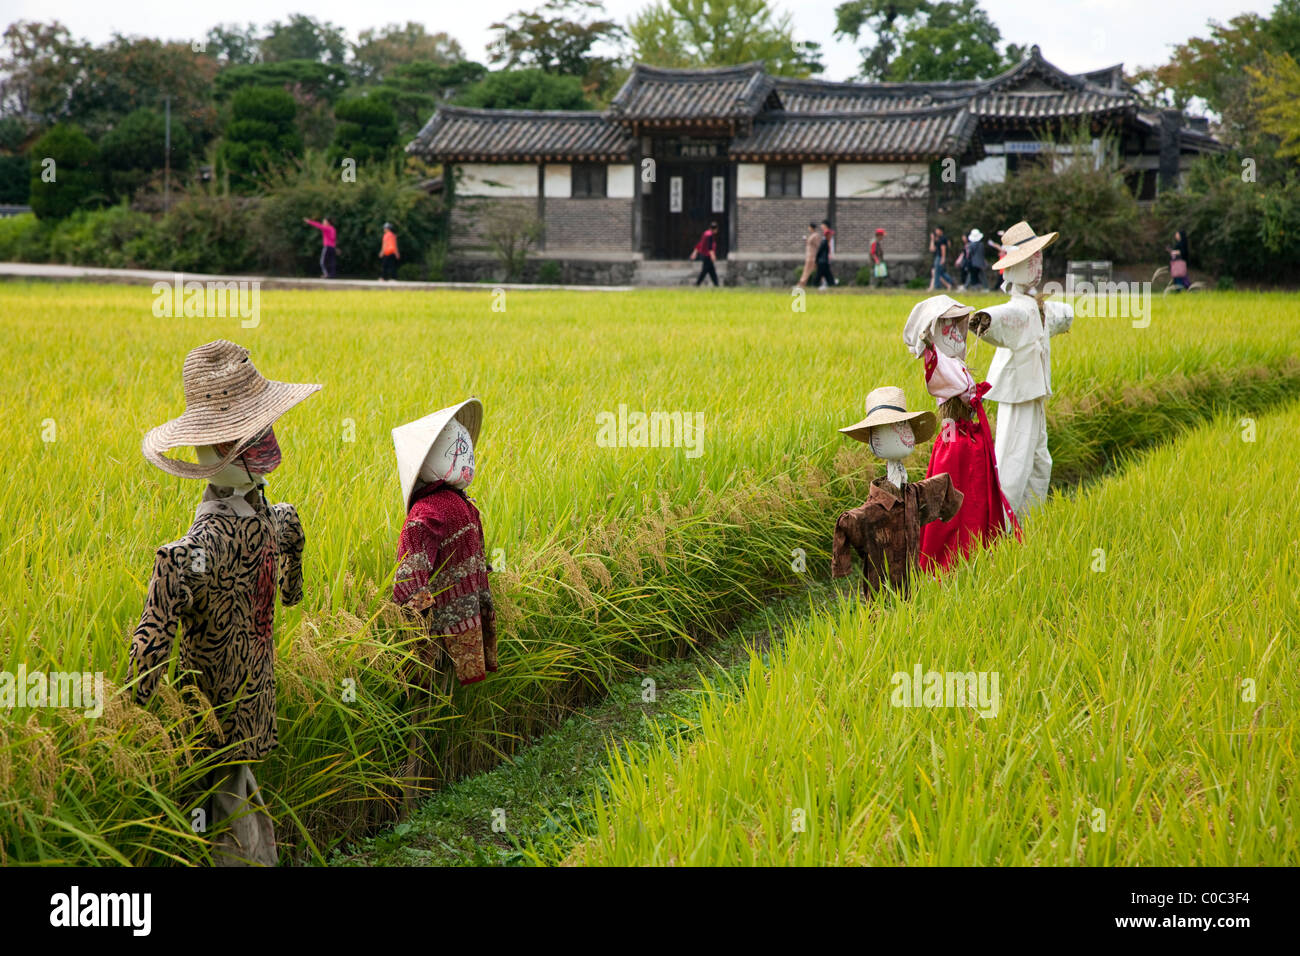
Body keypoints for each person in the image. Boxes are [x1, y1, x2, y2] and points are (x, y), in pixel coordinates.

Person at [131, 340, 322, 866]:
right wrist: (137, 703)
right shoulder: (222, 538)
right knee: (232, 803)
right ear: (219, 450)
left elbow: (288, 546)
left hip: (235, 704)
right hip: (222, 708)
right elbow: (170, 587)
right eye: (254, 432)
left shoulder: (256, 521)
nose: (268, 441)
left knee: (228, 808)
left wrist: (136, 700)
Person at [392, 399, 497, 803]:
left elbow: (407, 583)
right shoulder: (464, 507)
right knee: (441, 709)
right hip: (465, 624)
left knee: (418, 712)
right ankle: (440, 790)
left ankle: (410, 801)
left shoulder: (426, 513)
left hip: (435, 632)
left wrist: (403, 626)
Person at [903, 295, 1020, 573]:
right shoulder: (937, 363)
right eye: (948, 325)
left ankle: (976, 547)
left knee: (975, 496)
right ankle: (948, 559)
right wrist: (929, 345)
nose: (956, 331)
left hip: (968, 436)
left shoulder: (953, 362)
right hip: (954, 439)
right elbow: (963, 393)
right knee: (953, 499)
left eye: (958, 323)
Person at [970, 220, 1075, 520]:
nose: (1037, 265)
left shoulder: (1038, 306)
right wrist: (982, 319)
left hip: (1036, 392)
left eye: (1039, 257)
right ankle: (999, 528)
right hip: (1017, 392)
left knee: (1041, 463)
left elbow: (1061, 315)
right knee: (1013, 462)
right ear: (1014, 267)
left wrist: (1069, 313)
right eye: (1030, 259)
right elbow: (995, 319)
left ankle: (1028, 526)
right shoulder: (1016, 309)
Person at [832, 386, 963, 600]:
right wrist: (842, 564)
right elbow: (846, 527)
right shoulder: (869, 513)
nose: (904, 433)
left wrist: (948, 504)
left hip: (913, 589)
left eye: (904, 425)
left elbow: (939, 491)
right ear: (874, 441)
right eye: (893, 427)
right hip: (881, 598)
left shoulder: (912, 494)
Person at [690, 221, 719, 286]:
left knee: (711, 271)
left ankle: (716, 285)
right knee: (705, 271)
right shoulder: (710, 235)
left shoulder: (705, 234)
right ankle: (697, 284)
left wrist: (694, 252)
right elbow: (710, 247)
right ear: (715, 229)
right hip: (707, 256)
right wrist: (713, 256)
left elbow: (700, 243)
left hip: (704, 255)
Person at [929, 226, 953, 290]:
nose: (936, 232)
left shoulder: (942, 238)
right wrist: (932, 240)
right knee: (940, 272)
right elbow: (932, 249)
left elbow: (943, 248)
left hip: (940, 257)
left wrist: (943, 258)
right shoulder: (938, 239)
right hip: (937, 257)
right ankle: (950, 283)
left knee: (937, 272)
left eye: (937, 230)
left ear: (941, 231)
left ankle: (937, 286)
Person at [797, 222, 819, 288]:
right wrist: (807, 240)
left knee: (807, 270)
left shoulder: (816, 235)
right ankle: (802, 283)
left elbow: (817, 245)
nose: (808, 228)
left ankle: (801, 283)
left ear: (812, 227)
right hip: (809, 255)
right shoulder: (812, 235)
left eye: (809, 227)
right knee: (818, 270)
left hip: (812, 256)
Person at [815, 219, 836, 289]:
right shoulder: (825, 236)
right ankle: (826, 283)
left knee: (823, 272)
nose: (821, 226)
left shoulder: (828, 236)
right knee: (824, 272)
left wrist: (830, 255)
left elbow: (830, 247)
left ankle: (824, 284)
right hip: (824, 258)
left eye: (822, 224)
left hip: (826, 257)